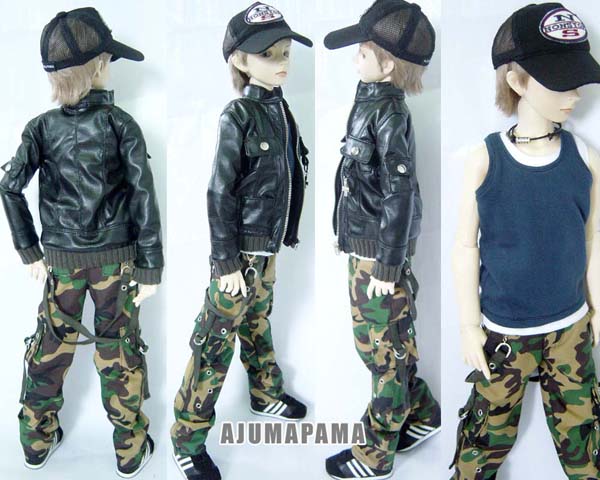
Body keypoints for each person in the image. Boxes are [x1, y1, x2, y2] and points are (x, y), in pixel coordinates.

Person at [0, 7, 163, 478]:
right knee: (119, 349)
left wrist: (31, 250)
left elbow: (9, 186)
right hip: (117, 264)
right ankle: (130, 448)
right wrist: (150, 267)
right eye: (108, 61)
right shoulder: (121, 124)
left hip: (61, 264)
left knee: (51, 346)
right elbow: (143, 199)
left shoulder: (41, 128)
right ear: (99, 68)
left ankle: (35, 441)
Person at [450, 3, 600, 479]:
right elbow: (465, 247)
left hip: (572, 328)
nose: (574, 95)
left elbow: (593, 239)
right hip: (503, 334)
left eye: (576, 80)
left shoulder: (584, 158)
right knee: (485, 436)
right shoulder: (485, 158)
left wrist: (598, 309)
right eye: (560, 82)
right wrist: (468, 325)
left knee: (583, 438)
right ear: (516, 81)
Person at [170, 3, 312, 479]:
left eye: (285, 52)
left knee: (256, 322)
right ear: (240, 60)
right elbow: (219, 190)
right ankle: (186, 437)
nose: (282, 62)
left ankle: (265, 393)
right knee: (214, 340)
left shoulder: (281, 110)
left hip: (266, 251)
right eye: (269, 54)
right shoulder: (240, 114)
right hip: (240, 255)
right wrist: (225, 260)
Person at [323, 1, 440, 478]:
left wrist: (387, 263)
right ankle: (422, 412)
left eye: (363, 52)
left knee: (382, 352)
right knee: (389, 342)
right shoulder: (369, 102)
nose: (356, 59)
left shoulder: (388, 113)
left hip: (377, 259)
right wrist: (345, 233)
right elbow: (358, 182)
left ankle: (376, 454)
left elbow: (400, 191)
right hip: (364, 247)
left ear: (387, 64)